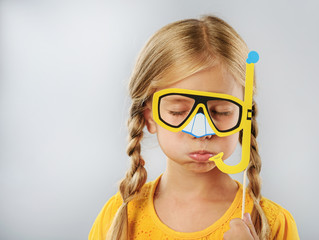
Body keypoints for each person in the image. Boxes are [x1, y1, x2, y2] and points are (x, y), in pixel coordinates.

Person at [88, 15, 299, 240]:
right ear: (149, 117)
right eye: (178, 111)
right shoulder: (118, 217)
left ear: (243, 117)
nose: (201, 132)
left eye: (220, 112)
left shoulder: (271, 223)